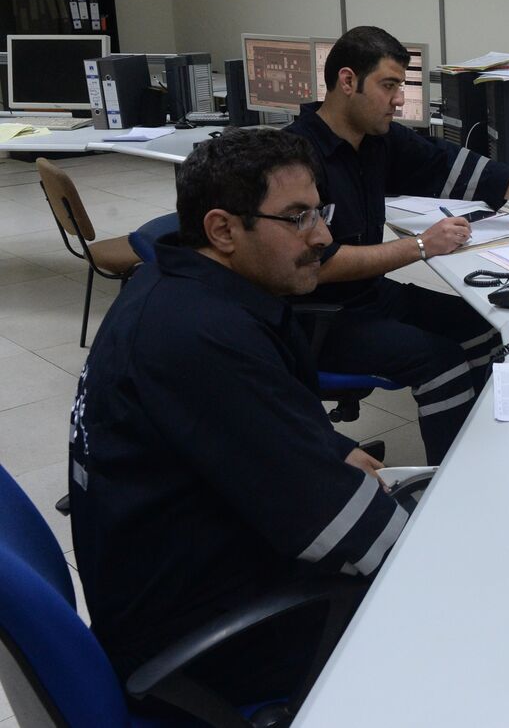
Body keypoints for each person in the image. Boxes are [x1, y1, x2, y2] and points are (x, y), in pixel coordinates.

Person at [68, 127, 407, 712]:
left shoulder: (172, 287)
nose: (324, 236)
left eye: (319, 211)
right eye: (297, 217)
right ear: (223, 229)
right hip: (212, 650)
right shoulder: (201, 341)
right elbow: (366, 540)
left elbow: (250, 430)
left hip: (183, 582)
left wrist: (322, 450)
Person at [285, 25, 509, 465]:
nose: (400, 99)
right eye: (389, 85)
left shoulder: (375, 141)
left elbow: (458, 166)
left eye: (402, 85)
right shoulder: (295, 159)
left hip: (368, 296)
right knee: (441, 363)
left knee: (482, 330)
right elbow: (315, 264)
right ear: (346, 81)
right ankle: (454, 479)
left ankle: (490, 454)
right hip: (316, 316)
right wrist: (420, 245)